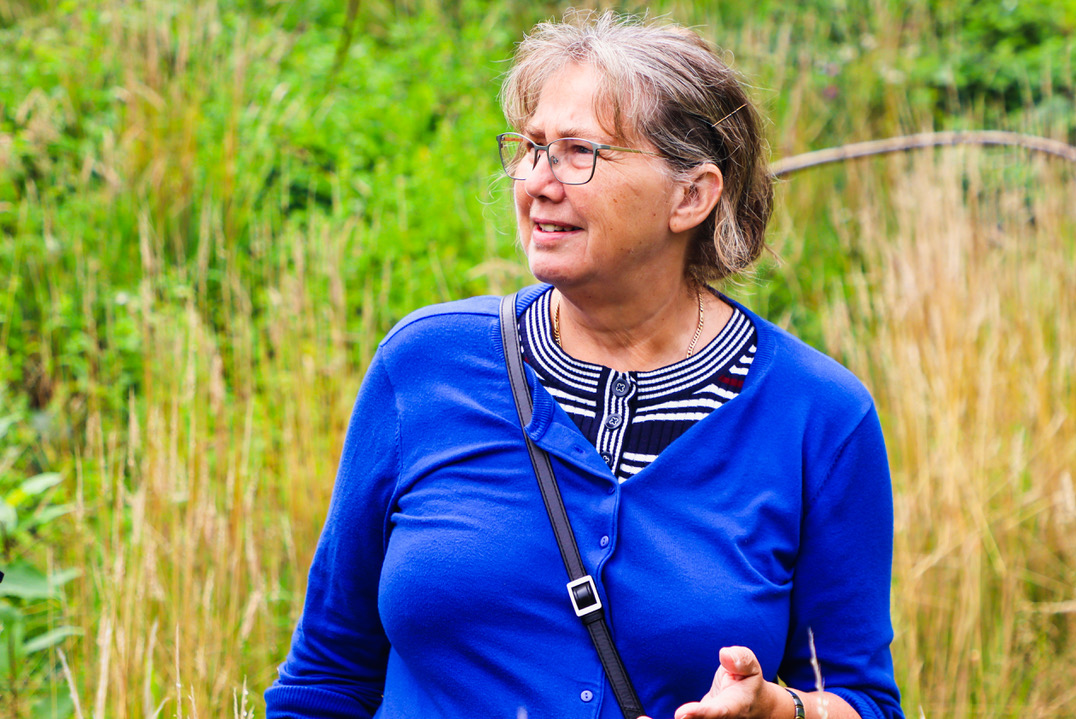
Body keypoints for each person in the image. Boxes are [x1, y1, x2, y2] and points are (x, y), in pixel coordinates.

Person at [266, 10, 903, 719]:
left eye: (579, 153)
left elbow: (864, 698)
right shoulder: (424, 366)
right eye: (532, 147)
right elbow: (326, 676)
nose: (538, 181)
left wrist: (781, 711)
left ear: (691, 195)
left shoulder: (819, 416)